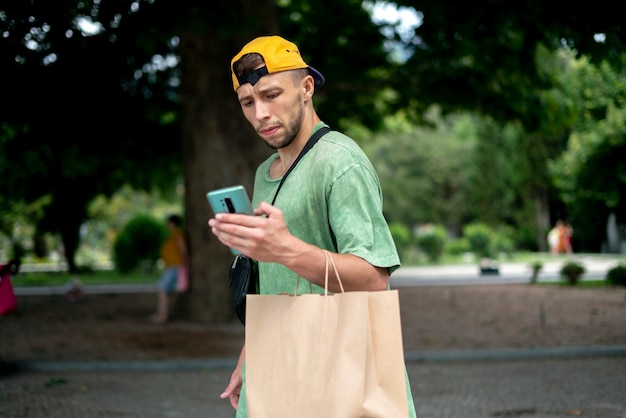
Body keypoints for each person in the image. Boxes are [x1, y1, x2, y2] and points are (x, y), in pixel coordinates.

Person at [208, 35, 417, 417]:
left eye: (272, 95)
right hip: (277, 366)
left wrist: (285, 249)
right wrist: (250, 352)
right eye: (248, 103)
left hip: (338, 373)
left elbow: (375, 278)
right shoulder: (264, 173)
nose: (260, 114)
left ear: (306, 88)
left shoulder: (339, 161)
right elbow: (275, 282)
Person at [151, 214, 187, 325]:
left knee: (162, 289)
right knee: (164, 290)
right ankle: (161, 313)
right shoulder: (173, 235)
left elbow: (183, 249)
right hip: (171, 266)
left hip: (174, 266)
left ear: (172, 223)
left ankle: (163, 315)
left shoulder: (177, 234)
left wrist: (183, 263)